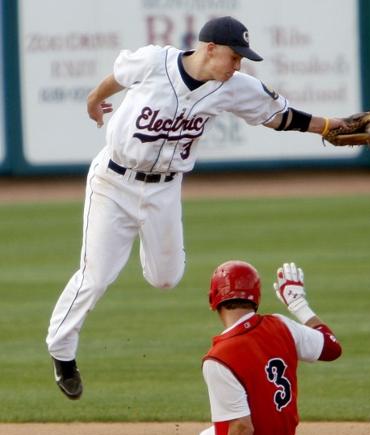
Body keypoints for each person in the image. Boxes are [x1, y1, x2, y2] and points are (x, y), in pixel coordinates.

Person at [46, 15, 347, 399]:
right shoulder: (156, 62)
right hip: (113, 182)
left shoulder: (234, 87)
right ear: (209, 48)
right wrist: (93, 98)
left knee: (165, 278)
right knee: (96, 275)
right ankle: (62, 353)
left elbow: (280, 116)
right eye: (234, 57)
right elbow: (119, 76)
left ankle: (141, 246)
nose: (238, 65)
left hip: (165, 190)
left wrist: (326, 126)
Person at [152, 261, 342, 435]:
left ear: (213, 299)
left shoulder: (219, 358)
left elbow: (242, 428)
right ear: (256, 298)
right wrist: (299, 304)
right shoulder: (282, 325)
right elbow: (332, 348)